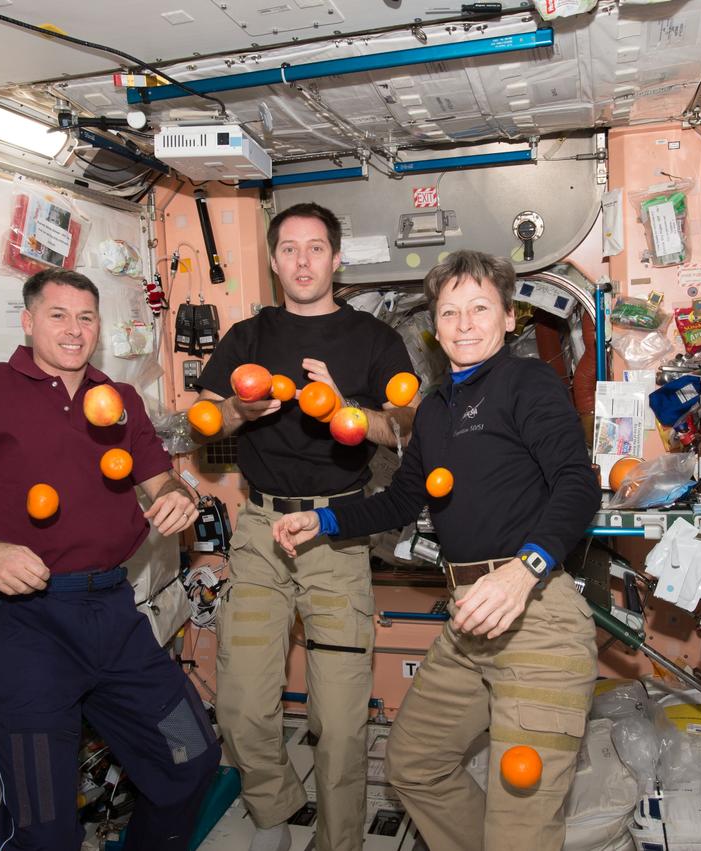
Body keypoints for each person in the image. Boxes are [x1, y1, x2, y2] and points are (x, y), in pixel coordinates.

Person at [272, 250, 601, 851]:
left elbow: (579, 485)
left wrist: (522, 572)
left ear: (509, 317)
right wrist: (320, 518)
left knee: (521, 827)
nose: (465, 323)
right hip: (469, 620)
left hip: (538, 618)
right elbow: (400, 501)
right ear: (435, 328)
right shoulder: (434, 411)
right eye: (450, 312)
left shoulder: (528, 384)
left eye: (480, 308)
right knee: (414, 765)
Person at [0, 268, 219, 850]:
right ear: (28, 320)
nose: (74, 330)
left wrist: (178, 502)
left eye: (86, 317)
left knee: (190, 755)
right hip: (25, 626)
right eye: (58, 315)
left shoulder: (118, 401)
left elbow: (164, 483)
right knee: (43, 823)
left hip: (113, 615)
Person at [193, 202, 417, 851]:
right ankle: (276, 806)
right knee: (238, 701)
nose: (301, 260)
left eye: (314, 247)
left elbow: (403, 428)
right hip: (261, 528)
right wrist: (238, 408)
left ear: (336, 257)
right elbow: (207, 419)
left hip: (335, 530)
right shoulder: (247, 337)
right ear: (271, 260)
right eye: (288, 248)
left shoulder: (373, 340)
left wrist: (348, 411)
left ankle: (339, 839)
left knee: (341, 716)